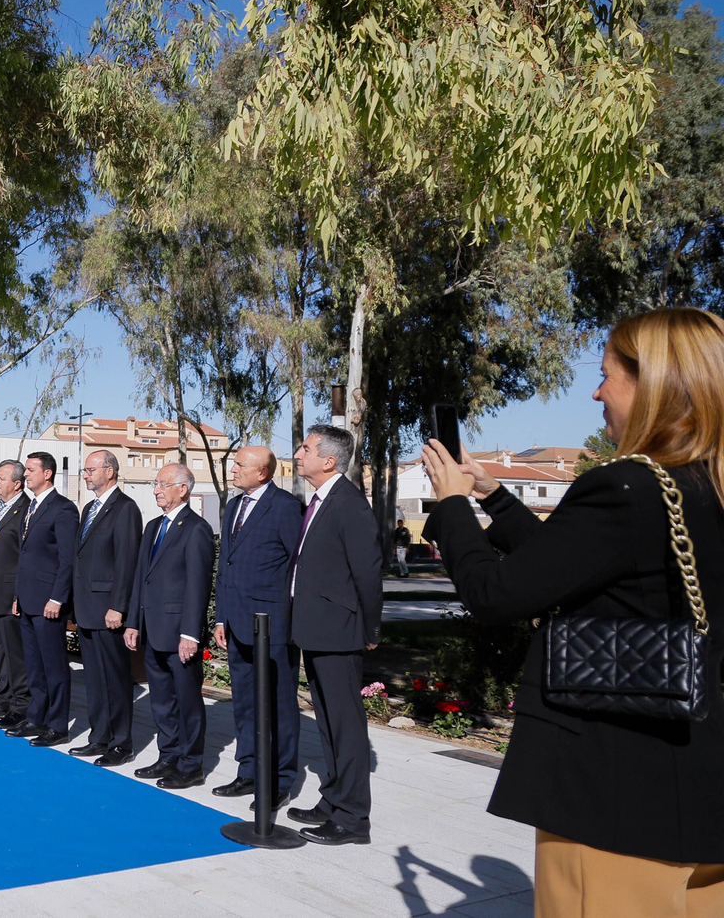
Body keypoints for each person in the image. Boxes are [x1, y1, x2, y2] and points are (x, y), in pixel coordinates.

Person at [423, 308, 724, 918]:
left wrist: (453, 506)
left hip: (614, 789)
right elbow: (572, 568)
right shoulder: (702, 486)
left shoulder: (627, 486)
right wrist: (494, 495)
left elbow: (497, 595)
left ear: (653, 385)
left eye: (607, 374)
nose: (596, 392)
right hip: (699, 781)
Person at [287, 424, 383, 845]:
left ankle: (352, 819)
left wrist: (371, 628)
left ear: (329, 460)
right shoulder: (319, 501)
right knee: (326, 724)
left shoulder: (349, 503)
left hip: (340, 631)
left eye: (306, 448)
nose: (297, 453)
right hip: (317, 628)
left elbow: (368, 572)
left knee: (345, 728)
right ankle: (333, 799)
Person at [211, 445, 305, 803]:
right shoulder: (234, 505)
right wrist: (220, 617)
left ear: (262, 472)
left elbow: (298, 568)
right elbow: (227, 566)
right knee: (246, 704)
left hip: (273, 627)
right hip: (236, 624)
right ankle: (248, 771)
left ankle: (280, 781)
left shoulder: (284, 507)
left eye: (239, 465)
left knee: (279, 705)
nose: (232, 469)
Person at [124, 463, 215, 790]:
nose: (156, 489)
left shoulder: (197, 529)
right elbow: (141, 579)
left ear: (183, 489)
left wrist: (190, 633)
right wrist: (134, 621)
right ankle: (168, 755)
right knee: (162, 699)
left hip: (180, 635)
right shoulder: (152, 527)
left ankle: (191, 764)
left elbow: (197, 586)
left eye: (163, 484)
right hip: (152, 630)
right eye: (155, 484)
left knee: (187, 700)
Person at [70, 450, 142, 766]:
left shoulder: (125, 508)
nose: (85, 474)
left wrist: (118, 606)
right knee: (95, 680)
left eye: (90, 469)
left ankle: (121, 743)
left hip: (108, 610)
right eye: (85, 470)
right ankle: (99, 736)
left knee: (114, 679)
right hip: (87, 607)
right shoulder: (89, 508)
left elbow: (127, 562)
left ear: (109, 471)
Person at [12, 451, 79, 747]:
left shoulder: (63, 509)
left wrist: (57, 598)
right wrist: (17, 595)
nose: (26, 475)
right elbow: (25, 557)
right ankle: (36, 717)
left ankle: (57, 724)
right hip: (27, 599)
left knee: (54, 666)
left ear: (47, 473)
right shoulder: (31, 508)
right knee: (34, 665)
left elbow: (67, 560)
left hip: (48, 603)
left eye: (30, 470)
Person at [0, 459, 31, 729]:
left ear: (17, 483)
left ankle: (20, 704)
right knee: (0, 649)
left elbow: (24, 556)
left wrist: (17, 594)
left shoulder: (24, 510)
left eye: (1, 477)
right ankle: (3, 697)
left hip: (10, 592)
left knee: (15, 653)